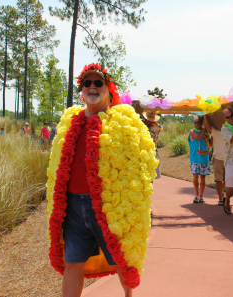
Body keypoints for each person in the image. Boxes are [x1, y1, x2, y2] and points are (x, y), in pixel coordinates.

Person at [46, 63, 158, 297]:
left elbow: (140, 166)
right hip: (73, 208)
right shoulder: (68, 123)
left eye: (98, 83)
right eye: (87, 83)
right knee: (73, 263)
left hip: (110, 209)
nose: (92, 87)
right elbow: (56, 166)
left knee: (121, 258)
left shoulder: (124, 123)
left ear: (109, 88)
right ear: (82, 89)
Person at [188, 115, 212, 203]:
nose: (197, 124)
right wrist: (205, 129)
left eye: (198, 122)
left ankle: (201, 196)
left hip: (204, 158)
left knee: (203, 178)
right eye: (195, 122)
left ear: (201, 122)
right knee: (195, 176)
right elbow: (199, 137)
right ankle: (196, 194)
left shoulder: (205, 133)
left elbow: (210, 143)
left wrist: (212, 134)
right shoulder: (192, 131)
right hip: (195, 158)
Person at [204, 114, 226, 206]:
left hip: (229, 159)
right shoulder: (215, 131)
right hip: (217, 158)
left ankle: (222, 192)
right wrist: (205, 116)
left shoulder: (229, 130)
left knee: (228, 180)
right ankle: (220, 198)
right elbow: (208, 128)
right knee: (218, 180)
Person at [142, 110, 162, 179]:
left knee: (150, 177)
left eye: (151, 119)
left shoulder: (156, 127)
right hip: (142, 154)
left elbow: (150, 137)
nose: (150, 121)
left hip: (152, 154)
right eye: (148, 119)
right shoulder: (142, 124)